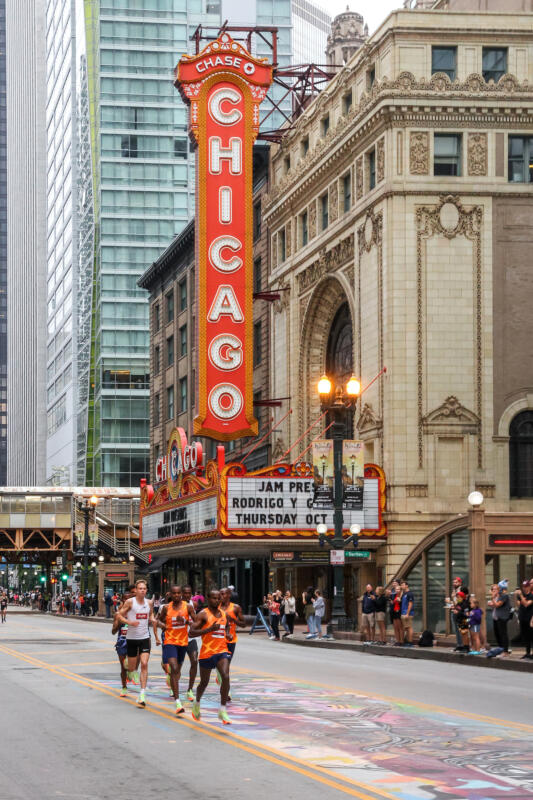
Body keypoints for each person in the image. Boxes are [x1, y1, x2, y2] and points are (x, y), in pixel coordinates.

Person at [188, 588, 232, 724]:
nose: (217, 600)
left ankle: (223, 710)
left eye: (219, 598)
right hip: (207, 652)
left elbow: (227, 627)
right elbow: (191, 633)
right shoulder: (203, 614)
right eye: (214, 598)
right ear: (208, 599)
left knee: (225, 676)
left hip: (221, 650)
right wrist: (208, 629)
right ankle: (197, 702)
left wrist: (228, 635)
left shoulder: (224, 614)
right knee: (204, 683)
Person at [154, 585, 195, 715]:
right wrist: (163, 626)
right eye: (174, 593)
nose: (177, 595)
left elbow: (196, 623)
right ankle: (178, 702)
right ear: (170, 594)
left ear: (181, 594)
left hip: (183, 642)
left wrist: (185, 621)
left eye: (179, 593)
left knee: (177, 671)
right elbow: (157, 621)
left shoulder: (188, 607)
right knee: (174, 667)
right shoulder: (166, 608)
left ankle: (173, 686)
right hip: (170, 642)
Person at [115, 579, 155, 707]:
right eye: (140, 588)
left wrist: (154, 620)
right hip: (131, 639)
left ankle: (142, 693)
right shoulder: (129, 602)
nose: (143, 590)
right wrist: (129, 622)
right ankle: (131, 671)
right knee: (131, 668)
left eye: (144, 588)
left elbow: (151, 616)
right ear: (136, 590)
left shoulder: (149, 603)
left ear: (146, 590)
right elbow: (118, 615)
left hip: (144, 638)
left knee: (144, 664)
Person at [111, 590, 133, 697]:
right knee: (123, 666)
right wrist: (119, 622)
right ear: (123, 600)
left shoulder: (136, 613)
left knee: (131, 665)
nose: (127, 601)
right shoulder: (118, 614)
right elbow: (113, 631)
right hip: (122, 641)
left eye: (129, 599)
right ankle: (124, 687)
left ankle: (131, 672)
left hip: (134, 640)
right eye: (125, 599)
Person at [182, 585, 199, 700]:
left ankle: (190, 690)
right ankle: (173, 686)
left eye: (189, 593)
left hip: (191, 638)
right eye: (185, 593)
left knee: (194, 661)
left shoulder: (194, 604)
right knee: (177, 666)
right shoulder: (177, 606)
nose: (187, 595)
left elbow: (196, 621)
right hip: (179, 638)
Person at [488, 580, 511, 655]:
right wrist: (492, 601)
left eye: (496, 589)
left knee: (503, 634)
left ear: (499, 589)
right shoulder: (495, 597)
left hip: (502, 617)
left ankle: (505, 651)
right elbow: (493, 606)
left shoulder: (503, 596)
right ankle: (501, 649)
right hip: (495, 617)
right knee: (497, 634)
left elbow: (497, 605)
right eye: (493, 589)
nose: (494, 591)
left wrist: (492, 598)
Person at [515, 580, 533, 659]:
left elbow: (526, 604)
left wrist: (521, 596)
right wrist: (517, 596)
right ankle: (527, 653)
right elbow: (518, 604)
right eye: (523, 587)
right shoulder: (521, 595)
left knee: (531, 636)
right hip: (522, 618)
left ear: (529, 586)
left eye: (526, 586)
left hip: (529, 618)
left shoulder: (531, 596)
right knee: (525, 636)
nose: (524, 588)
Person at [446, 576, 464, 651]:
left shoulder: (461, 590)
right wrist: (450, 604)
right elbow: (455, 603)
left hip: (459, 612)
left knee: (461, 629)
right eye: (454, 582)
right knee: (456, 630)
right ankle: (459, 644)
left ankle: (462, 645)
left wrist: (449, 601)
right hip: (454, 611)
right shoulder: (454, 590)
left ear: (460, 583)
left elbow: (460, 602)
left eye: (456, 582)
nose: (454, 583)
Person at [387, 581, 403, 645]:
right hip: (394, 611)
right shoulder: (394, 595)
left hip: (399, 612)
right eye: (396, 589)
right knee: (395, 627)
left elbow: (401, 603)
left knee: (400, 627)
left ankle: (401, 641)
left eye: (398, 589)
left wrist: (399, 600)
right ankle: (397, 641)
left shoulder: (402, 595)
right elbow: (392, 602)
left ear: (400, 589)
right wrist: (391, 601)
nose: (397, 590)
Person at [400, 580, 415, 646]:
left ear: (407, 585)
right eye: (401, 585)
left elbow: (410, 604)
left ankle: (410, 642)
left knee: (409, 627)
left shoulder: (409, 594)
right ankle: (407, 641)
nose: (401, 586)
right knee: (405, 628)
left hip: (408, 613)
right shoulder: (404, 593)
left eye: (403, 585)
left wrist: (407, 613)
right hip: (403, 612)